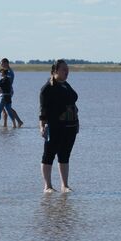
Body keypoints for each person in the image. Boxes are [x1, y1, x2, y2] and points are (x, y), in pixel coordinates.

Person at [38, 59, 79, 193]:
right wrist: (42, 127)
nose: (67, 72)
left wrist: (77, 122)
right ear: (55, 71)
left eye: (67, 69)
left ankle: (65, 185)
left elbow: (72, 103)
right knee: (48, 156)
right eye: (63, 69)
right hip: (54, 127)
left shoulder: (66, 85)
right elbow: (42, 111)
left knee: (64, 156)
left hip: (70, 127)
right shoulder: (47, 88)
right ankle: (48, 186)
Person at [0, 58, 23, 128]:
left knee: (7, 108)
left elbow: (7, 83)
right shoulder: (5, 71)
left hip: (8, 92)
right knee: (3, 108)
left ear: (6, 63)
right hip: (4, 92)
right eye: (0, 63)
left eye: (2, 63)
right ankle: (5, 124)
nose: (1, 65)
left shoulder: (10, 72)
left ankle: (19, 121)